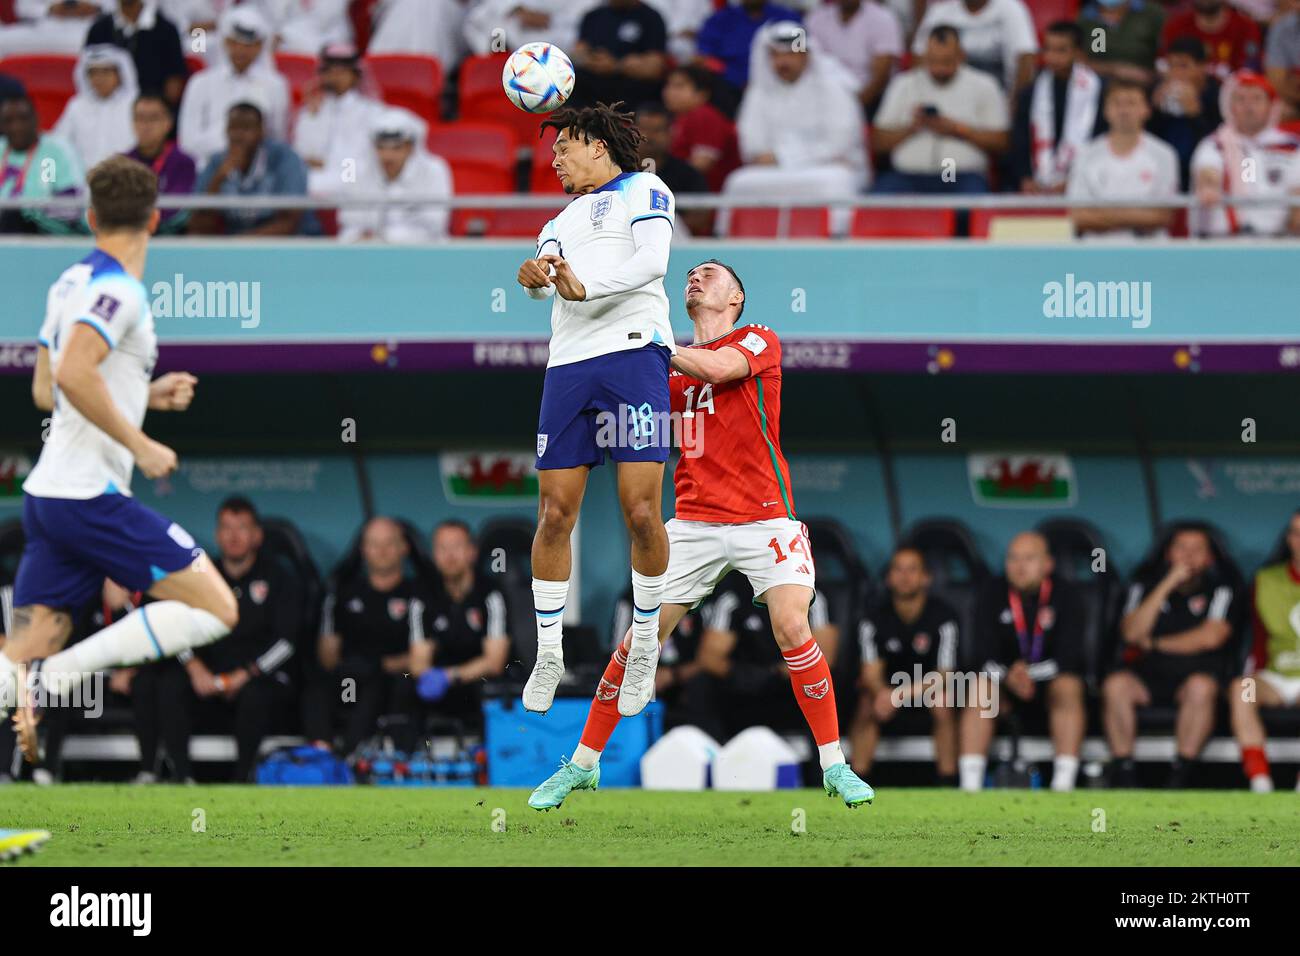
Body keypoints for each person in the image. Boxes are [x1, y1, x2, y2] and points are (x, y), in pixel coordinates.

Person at [527, 259, 875, 811]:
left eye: (710, 274)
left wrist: (649, 341)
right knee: (640, 642)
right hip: (693, 524)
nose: (695, 278)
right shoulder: (658, 374)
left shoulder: (758, 339)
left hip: (766, 517)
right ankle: (582, 765)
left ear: (736, 298)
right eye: (690, 274)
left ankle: (834, 765)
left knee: (790, 624)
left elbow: (719, 369)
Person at [0, 154, 237, 764]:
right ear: (156, 220)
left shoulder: (69, 281)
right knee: (216, 607)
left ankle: (36, 677)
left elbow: (44, 389)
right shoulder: (119, 291)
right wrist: (143, 444)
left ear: (89, 216)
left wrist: (145, 396)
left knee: (13, 663)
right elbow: (76, 372)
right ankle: (53, 678)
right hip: (87, 498)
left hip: (48, 497)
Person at [514, 102, 677, 716]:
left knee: (640, 510)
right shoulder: (556, 220)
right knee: (555, 514)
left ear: (599, 148)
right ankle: (549, 652)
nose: (555, 157)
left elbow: (652, 263)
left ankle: (642, 649)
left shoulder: (645, 187)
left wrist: (588, 286)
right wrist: (533, 275)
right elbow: (544, 280)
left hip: (634, 356)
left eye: (565, 147)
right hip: (569, 367)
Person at [134, 496, 301, 783]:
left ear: (257, 535)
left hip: (257, 677)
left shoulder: (279, 577)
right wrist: (194, 667)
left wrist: (246, 674)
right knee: (169, 683)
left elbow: (287, 642)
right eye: (226, 528)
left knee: (255, 696)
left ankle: (242, 780)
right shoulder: (200, 574)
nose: (233, 536)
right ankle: (181, 777)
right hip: (207, 678)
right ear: (216, 534)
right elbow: (172, 625)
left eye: (242, 528)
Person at [1103, 525, 1240, 788]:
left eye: (1197, 549)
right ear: (1168, 554)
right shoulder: (1143, 585)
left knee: (1201, 687)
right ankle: (1124, 773)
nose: (1188, 556)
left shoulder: (1222, 587)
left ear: (1210, 558)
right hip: (1145, 678)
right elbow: (1132, 633)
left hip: (1194, 677)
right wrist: (1167, 584)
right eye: (1181, 548)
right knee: (1116, 685)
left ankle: (1180, 775)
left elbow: (1210, 637)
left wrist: (1153, 643)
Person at [958, 532, 1088, 793]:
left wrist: (1028, 674)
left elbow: (1070, 658)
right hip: (1003, 688)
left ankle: (1064, 784)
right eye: (1013, 558)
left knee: (1069, 685)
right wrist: (1010, 676)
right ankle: (969, 787)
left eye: (1029, 558)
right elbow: (980, 656)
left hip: (1049, 686)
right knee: (980, 687)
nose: (1019, 566)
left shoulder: (1068, 596)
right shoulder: (990, 593)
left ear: (1047, 564)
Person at [304, 517, 429, 755]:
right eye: (374, 543)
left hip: (394, 677)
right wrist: (353, 666)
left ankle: (352, 757)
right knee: (317, 687)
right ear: (363, 549)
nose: (381, 551)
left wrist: (380, 665)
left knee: (381, 684)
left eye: (389, 543)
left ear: (404, 548)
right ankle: (321, 756)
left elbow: (420, 659)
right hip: (350, 678)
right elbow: (328, 657)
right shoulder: (342, 593)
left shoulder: (419, 594)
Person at [728, 21, 871, 215]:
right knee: (738, 183)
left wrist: (781, 156)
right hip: (774, 171)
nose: (783, 62)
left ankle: (835, 238)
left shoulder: (833, 88)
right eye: (776, 55)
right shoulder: (758, 93)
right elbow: (752, 145)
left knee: (831, 183)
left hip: (826, 170)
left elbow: (839, 145)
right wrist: (781, 158)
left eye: (790, 54)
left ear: (806, 55)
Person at [850, 546, 961, 785]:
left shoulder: (944, 617)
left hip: (924, 692)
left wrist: (900, 695)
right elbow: (870, 672)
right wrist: (882, 694)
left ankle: (949, 783)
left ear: (926, 577)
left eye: (912, 569)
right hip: (885, 694)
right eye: (898, 570)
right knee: (867, 702)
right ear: (889, 578)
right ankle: (856, 785)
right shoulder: (873, 618)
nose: (905, 576)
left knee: (942, 701)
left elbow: (945, 675)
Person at [873, 25, 1009, 193]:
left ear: (961, 56)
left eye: (946, 61)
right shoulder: (903, 84)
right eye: (933, 61)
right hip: (908, 175)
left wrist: (956, 129)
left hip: (955, 174)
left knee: (970, 203)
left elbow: (1001, 142)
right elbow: (877, 141)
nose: (939, 68)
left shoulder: (984, 85)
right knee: (878, 202)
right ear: (924, 57)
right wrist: (912, 127)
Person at [409, 521, 510, 730]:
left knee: (491, 686)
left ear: (472, 552)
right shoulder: (422, 595)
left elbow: (494, 662)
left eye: (457, 546)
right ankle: (404, 757)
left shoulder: (491, 593)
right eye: (442, 548)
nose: (449, 555)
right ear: (433, 555)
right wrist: (434, 678)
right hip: (440, 682)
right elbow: (418, 663)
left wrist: (450, 676)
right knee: (404, 687)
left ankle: (492, 756)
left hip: (477, 680)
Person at [1231, 509, 1300, 792]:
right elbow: (1256, 637)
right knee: (1242, 688)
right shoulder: (1266, 580)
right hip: (1277, 676)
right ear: (1288, 539)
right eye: (1296, 533)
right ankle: (1260, 783)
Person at [176, 6, 291, 168]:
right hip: (206, 167)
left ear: (260, 46)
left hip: (258, 172)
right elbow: (187, 142)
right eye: (235, 43)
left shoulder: (276, 86)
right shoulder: (200, 83)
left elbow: (277, 139)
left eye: (249, 45)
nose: (241, 51)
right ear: (225, 42)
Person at [1190, 70, 1300, 236]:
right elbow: (1208, 173)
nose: (1249, 106)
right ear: (1229, 106)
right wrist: (1208, 186)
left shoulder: (1291, 146)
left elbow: (1297, 192)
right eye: (1241, 99)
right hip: (1222, 243)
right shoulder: (1215, 144)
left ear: (1271, 105)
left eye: (1256, 98)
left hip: (1277, 244)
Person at [1067, 80, 1180, 237]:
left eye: (1131, 103)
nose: (1124, 110)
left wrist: (1104, 214)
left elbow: (1162, 216)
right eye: (1117, 104)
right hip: (1096, 252)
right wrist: (1136, 216)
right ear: (1105, 110)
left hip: (1149, 253)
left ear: (1146, 110)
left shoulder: (1164, 154)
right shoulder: (1086, 154)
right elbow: (1079, 215)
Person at [190, 100, 315, 236]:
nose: (238, 135)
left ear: (261, 131)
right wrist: (217, 180)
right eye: (233, 128)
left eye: (246, 128)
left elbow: (289, 222)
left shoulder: (285, 158)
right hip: (236, 249)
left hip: (287, 247)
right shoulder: (217, 162)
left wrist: (241, 244)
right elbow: (198, 226)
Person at [1011, 21, 1104, 195]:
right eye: (1047, 49)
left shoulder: (1097, 90)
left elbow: (1101, 139)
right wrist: (1026, 177)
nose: (1052, 57)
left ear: (1078, 53)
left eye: (1061, 50)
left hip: (1087, 180)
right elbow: (1021, 139)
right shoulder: (1031, 92)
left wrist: (1075, 179)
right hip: (1037, 184)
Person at [294, 43, 381, 197]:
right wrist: (312, 119)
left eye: (341, 72)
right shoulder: (312, 110)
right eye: (329, 71)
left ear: (355, 76)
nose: (334, 77)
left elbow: (359, 163)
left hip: (353, 180)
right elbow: (303, 153)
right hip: (312, 178)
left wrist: (328, 165)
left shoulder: (371, 112)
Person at [0, 94, 86, 235]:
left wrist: (28, 212)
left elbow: (71, 204)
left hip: (46, 235)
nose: (16, 127)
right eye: (8, 121)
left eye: (23, 119)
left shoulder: (53, 152)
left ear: (36, 119)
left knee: (14, 217)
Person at [911, 0, 1038, 92]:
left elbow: (1026, 58)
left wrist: (1015, 104)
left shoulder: (1011, 8)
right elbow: (919, 56)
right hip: (947, 92)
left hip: (999, 95)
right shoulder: (940, 11)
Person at [1149, 36, 1224, 189]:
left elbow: (1222, 148)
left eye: (1183, 66)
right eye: (1170, 66)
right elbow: (1146, 143)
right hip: (1161, 174)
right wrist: (1153, 112)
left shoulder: (1219, 98)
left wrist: (1196, 116)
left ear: (1202, 68)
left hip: (1203, 177)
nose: (1175, 73)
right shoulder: (1156, 92)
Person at [806, 0, 904, 116]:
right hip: (825, 94)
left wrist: (850, 107)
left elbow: (881, 78)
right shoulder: (816, 18)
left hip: (868, 97)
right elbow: (807, 62)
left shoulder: (883, 18)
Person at [569, 0, 668, 112]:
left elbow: (655, 67)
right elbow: (576, 54)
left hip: (629, 91)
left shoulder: (651, 18)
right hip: (592, 85)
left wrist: (616, 65)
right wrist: (591, 61)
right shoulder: (593, 16)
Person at [85, 0, 189, 106]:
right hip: (106, 107)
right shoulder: (98, 30)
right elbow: (86, 77)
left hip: (150, 110)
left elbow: (173, 86)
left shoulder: (166, 30)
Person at [53, 45, 138, 172]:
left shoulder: (135, 104)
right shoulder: (77, 106)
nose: (99, 78)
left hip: (127, 181)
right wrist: (48, 183)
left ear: (119, 74)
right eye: (93, 73)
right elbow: (56, 147)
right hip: (83, 183)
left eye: (106, 71)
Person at [123, 92, 196, 233]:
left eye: (153, 118)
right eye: (139, 118)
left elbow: (174, 209)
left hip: (170, 240)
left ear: (168, 123)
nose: (145, 125)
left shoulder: (183, 162)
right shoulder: (121, 163)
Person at [694, 0, 802, 94]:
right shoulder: (719, 19)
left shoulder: (789, 17)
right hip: (729, 85)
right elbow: (703, 57)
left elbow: (801, 53)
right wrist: (735, 77)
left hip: (779, 80)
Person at [662, 64, 740, 193]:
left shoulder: (705, 116)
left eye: (679, 87)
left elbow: (701, 165)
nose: (669, 92)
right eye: (668, 86)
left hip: (711, 198)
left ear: (702, 94)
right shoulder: (678, 119)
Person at [635, 102, 710, 235]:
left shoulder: (688, 174)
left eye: (657, 130)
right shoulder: (617, 170)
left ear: (670, 133)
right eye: (644, 129)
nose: (650, 137)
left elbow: (701, 218)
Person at [1161, 0, 1262, 78]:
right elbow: (1164, 65)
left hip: (1232, 96)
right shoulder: (1175, 27)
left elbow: (1249, 71)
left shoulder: (1246, 27)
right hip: (1186, 91)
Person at [1078, 0, 1165, 85]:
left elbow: (1169, 56)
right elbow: (1078, 60)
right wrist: (1115, 70)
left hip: (1145, 86)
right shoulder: (1086, 17)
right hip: (1097, 86)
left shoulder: (1152, 13)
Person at [0, 0, 110, 58]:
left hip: (87, 26)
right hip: (46, 26)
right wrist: (50, 9)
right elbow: (23, 8)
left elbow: (115, 8)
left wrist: (95, 8)